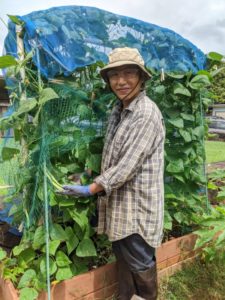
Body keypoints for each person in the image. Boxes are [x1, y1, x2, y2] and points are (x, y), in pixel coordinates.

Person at [60, 47, 165, 300]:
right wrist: (87, 175)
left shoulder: (145, 113)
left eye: (129, 73)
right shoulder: (119, 110)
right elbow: (112, 153)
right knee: (125, 258)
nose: (121, 81)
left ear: (141, 77)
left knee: (140, 262)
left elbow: (127, 165)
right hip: (122, 206)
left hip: (137, 209)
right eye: (114, 75)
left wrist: (91, 189)